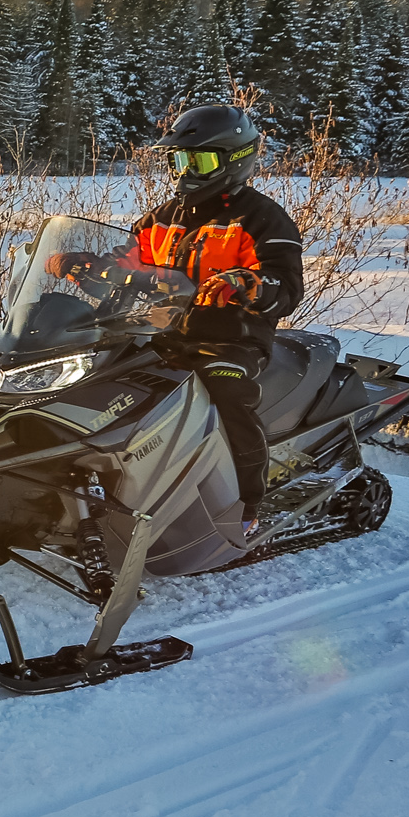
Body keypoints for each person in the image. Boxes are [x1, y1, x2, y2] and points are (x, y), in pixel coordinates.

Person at [131, 101, 304, 538]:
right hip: (163, 333)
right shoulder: (161, 218)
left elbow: (286, 285)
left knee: (225, 394)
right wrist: (84, 265)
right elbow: (128, 266)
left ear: (235, 160)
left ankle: (245, 505)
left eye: (199, 159)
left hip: (232, 339)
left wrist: (249, 285)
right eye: (179, 159)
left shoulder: (261, 218)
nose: (185, 170)